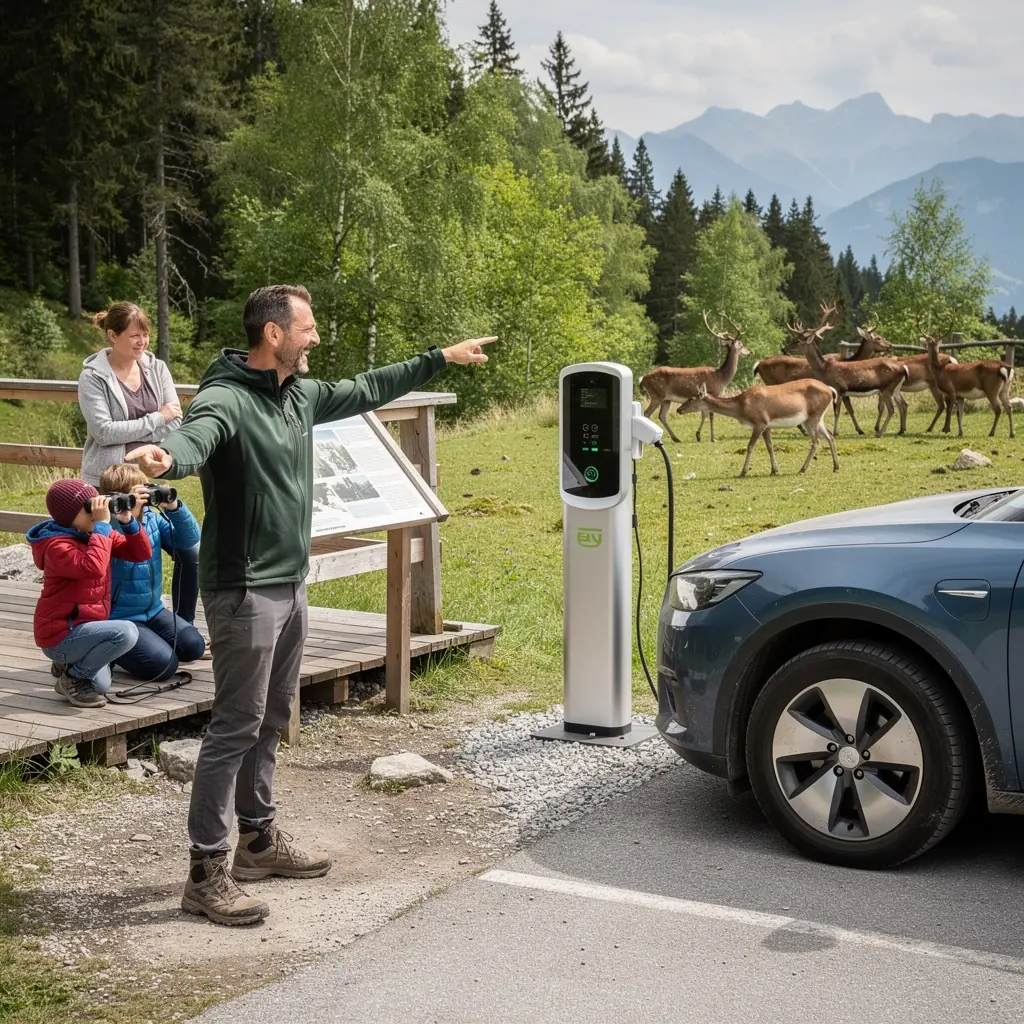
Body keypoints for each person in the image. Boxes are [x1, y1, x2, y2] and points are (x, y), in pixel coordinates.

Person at [126, 284, 494, 927]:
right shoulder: (226, 398)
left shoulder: (301, 394)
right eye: (308, 327)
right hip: (242, 588)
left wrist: (440, 355)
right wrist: (165, 457)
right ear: (273, 334)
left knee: (272, 715)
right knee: (235, 725)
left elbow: (369, 387)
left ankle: (258, 842)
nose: (316, 337)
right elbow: (196, 437)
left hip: (290, 582)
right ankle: (205, 873)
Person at [78, 303, 202, 636]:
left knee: (188, 553)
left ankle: (182, 628)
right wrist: (155, 420)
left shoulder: (156, 368)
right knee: (112, 562)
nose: (142, 341)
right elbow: (103, 432)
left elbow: (176, 419)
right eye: (134, 335)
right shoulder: (93, 377)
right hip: (106, 482)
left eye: (145, 334)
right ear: (113, 335)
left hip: (147, 479)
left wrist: (151, 433)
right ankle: (99, 632)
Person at [27, 478, 152, 708]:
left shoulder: (92, 535)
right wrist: (104, 526)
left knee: (101, 686)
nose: (95, 515)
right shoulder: (57, 546)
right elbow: (92, 567)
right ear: (69, 517)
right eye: (89, 510)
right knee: (127, 632)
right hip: (61, 636)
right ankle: (73, 677)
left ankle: (68, 668)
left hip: (85, 631)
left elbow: (141, 554)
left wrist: (128, 522)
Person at [99, 463, 206, 680]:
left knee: (194, 646)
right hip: (119, 618)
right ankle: (106, 650)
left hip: (153, 610)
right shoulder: (105, 527)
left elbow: (190, 539)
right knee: (164, 666)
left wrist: (174, 507)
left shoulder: (153, 519)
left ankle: (144, 645)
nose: (144, 498)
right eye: (137, 492)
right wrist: (128, 518)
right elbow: (120, 539)